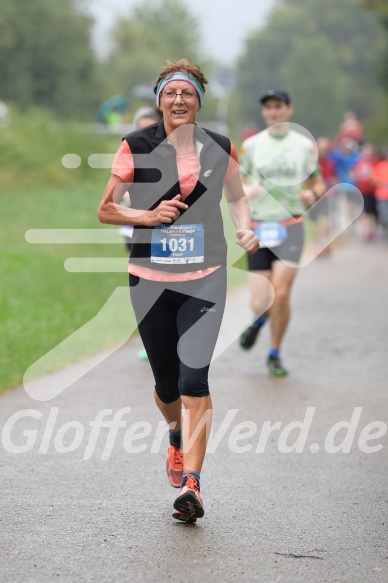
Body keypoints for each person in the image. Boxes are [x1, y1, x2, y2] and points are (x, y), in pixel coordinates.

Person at [97, 58, 259, 522]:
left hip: (205, 278)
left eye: (187, 93)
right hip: (149, 281)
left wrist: (245, 229)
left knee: (194, 381)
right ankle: (175, 435)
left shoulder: (220, 147)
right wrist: (146, 216)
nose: (179, 100)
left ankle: (193, 483)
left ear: (198, 102)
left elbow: (238, 197)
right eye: (171, 93)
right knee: (167, 386)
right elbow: (106, 210)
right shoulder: (135, 146)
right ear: (159, 101)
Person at [239, 89, 325, 376]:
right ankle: (258, 320)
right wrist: (248, 191)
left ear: (289, 109)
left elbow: (319, 184)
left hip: (291, 225)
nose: (273, 112)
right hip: (260, 227)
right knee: (260, 300)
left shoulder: (304, 146)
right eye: (268, 108)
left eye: (278, 106)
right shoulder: (251, 146)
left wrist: (312, 194)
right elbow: (236, 187)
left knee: (282, 293)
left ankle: (274, 353)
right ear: (264, 113)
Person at [353, 143, 379, 242]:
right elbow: (356, 175)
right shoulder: (359, 162)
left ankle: (373, 229)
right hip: (362, 190)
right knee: (365, 212)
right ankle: (366, 231)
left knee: (373, 212)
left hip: (373, 191)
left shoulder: (375, 162)